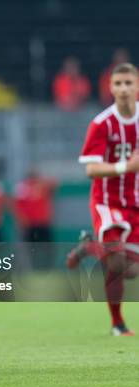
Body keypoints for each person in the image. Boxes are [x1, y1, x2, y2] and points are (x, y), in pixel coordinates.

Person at [67, 62, 139, 336]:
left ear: (136, 85)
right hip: (107, 202)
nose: (123, 89)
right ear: (110, 88)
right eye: (118, 84)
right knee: (118, 263)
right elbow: (91, 169)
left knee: (130, 271)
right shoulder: (102, 123)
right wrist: (125, 167)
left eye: (128, 83)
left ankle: (89, 247)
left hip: (135, 202)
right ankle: (117, 324)